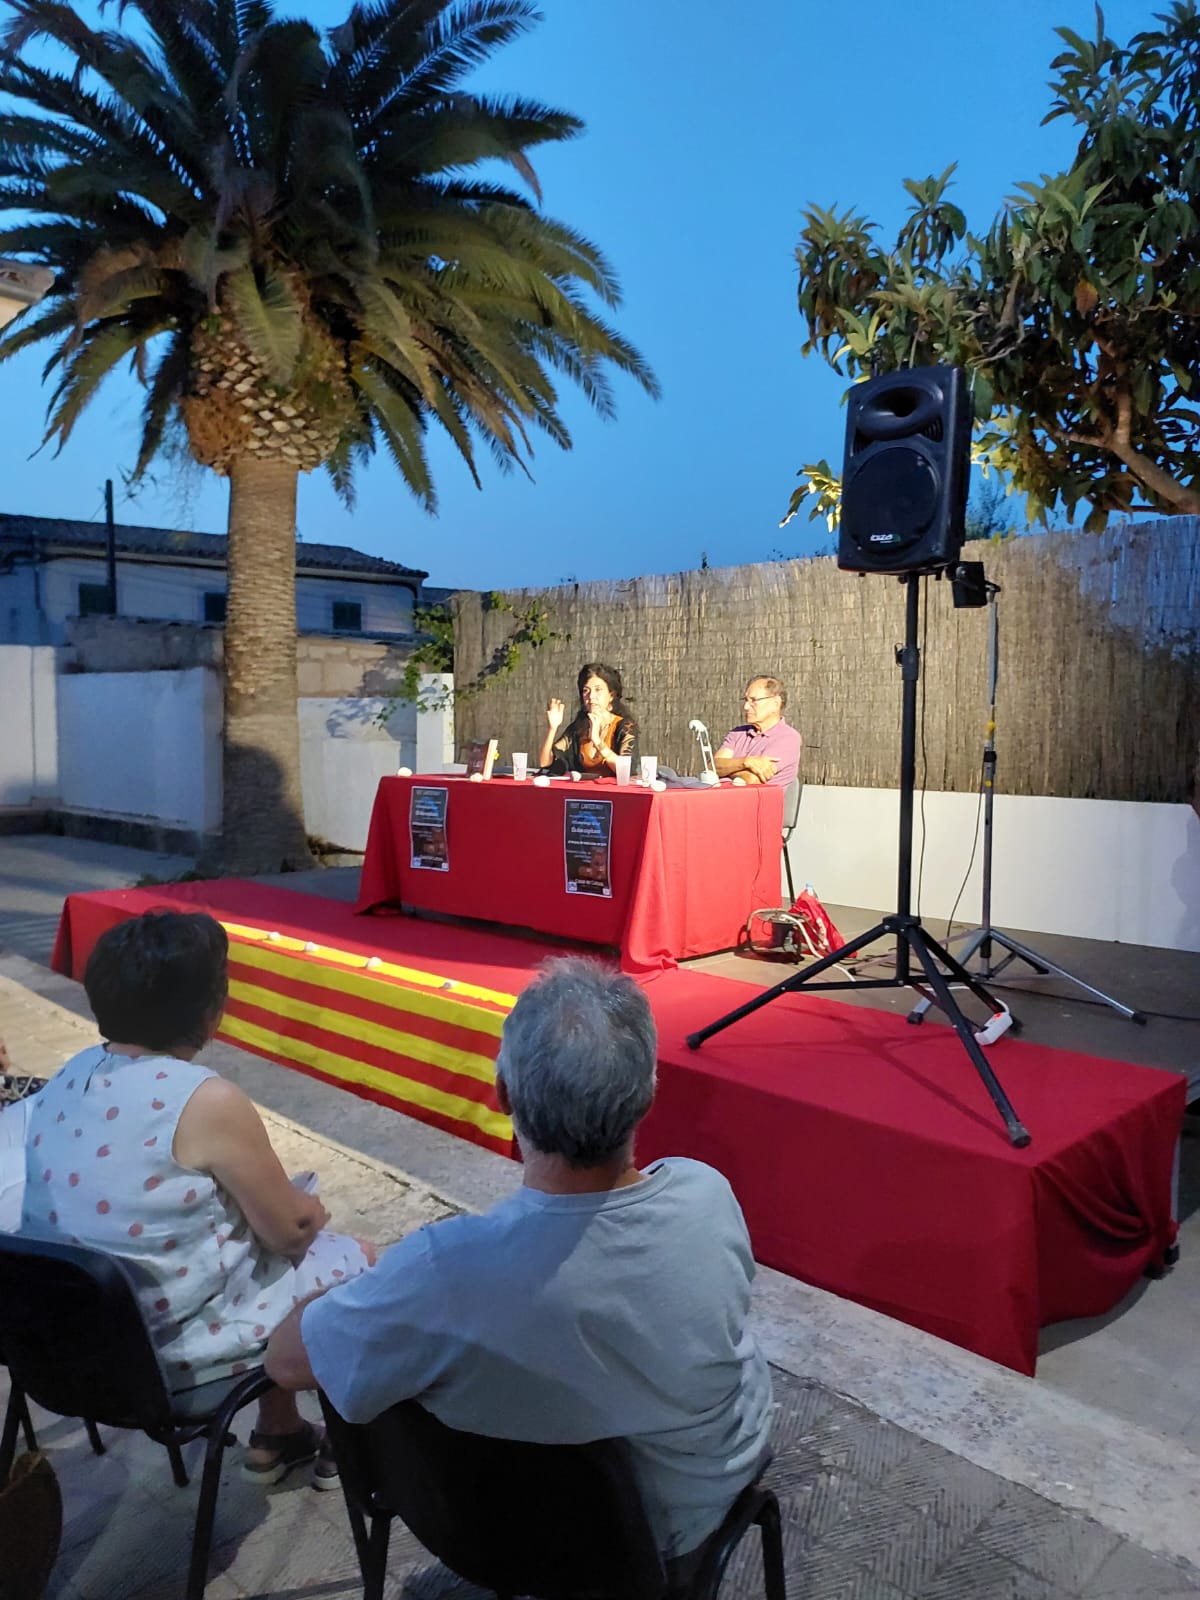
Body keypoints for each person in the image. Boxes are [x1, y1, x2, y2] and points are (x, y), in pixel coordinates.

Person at [266, 958, 773, 1570]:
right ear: (647, 1094)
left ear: (504, 1095)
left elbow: (285, 1361)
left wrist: (350, 1276)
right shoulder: (705, 1193)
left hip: (492, 1539)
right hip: (693, 1509)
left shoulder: (446, 1269)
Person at [19, 911, 375, 1488]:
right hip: (168, 1358)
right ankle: (351, 1443)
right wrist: (310, 1212)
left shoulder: (72, 1072)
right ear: (211, 1010)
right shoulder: (205, 1099)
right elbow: (289, 1232)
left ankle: (277, 1434)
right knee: (356, 1260)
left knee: (252, 1256)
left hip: (64, 1348)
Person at [537, 662, 638, 775]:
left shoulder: (625, 727)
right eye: (586, 690)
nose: (591, 696)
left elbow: (626, 770)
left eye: (598, 690)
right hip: (583, 786)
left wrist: (597, 740)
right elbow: (545, 763)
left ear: (611, 695)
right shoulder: (579, 728)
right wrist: (552, 728)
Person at [715, 675, 802, 787]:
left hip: (753, 798)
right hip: (720, 795)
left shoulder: (788, 738)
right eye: (746, 700)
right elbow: (712, 767)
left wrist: (725, 770)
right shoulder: (737, 733)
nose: (746, 707)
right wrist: (746, 762)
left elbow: (752, 779)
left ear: (775, 704)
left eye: (753, 700)